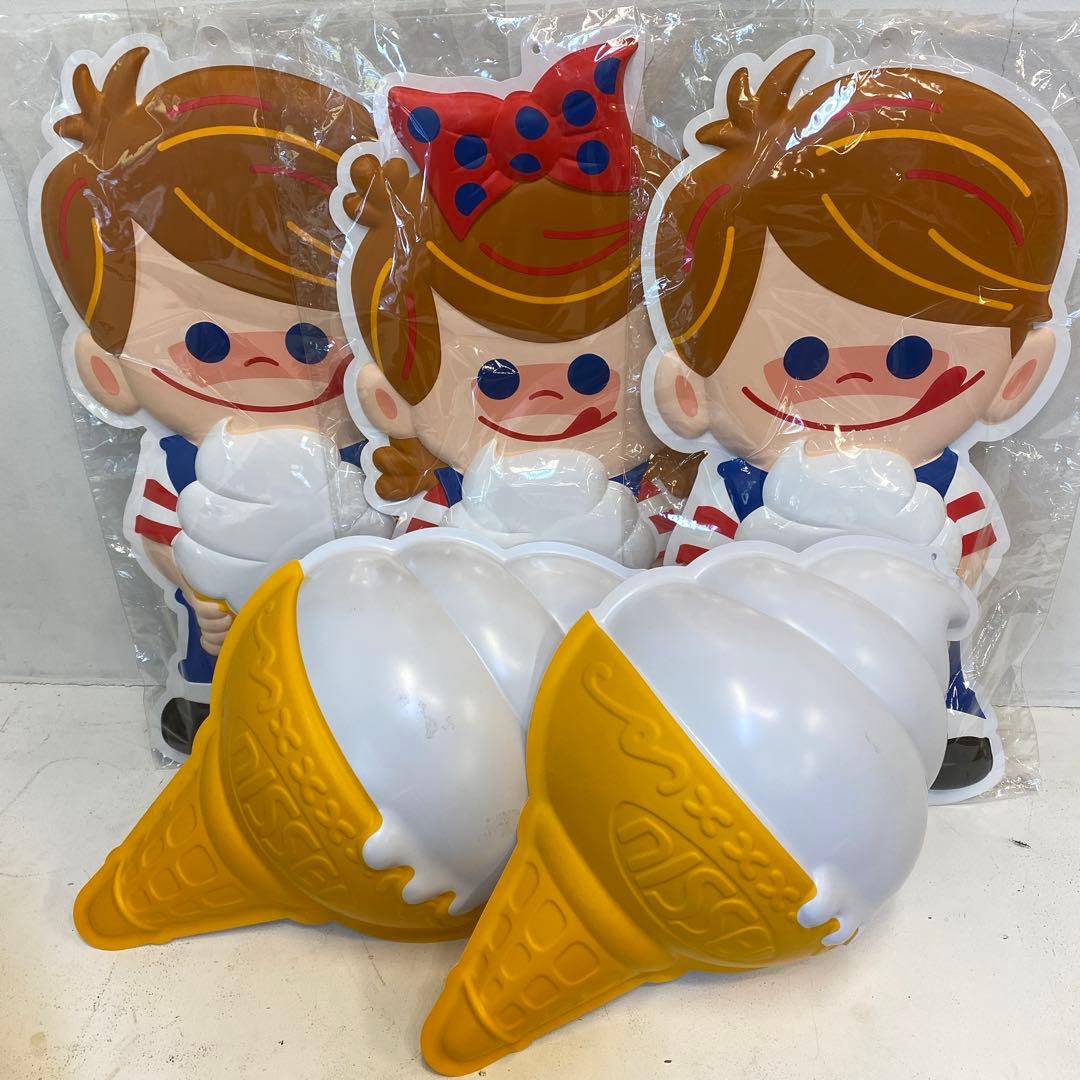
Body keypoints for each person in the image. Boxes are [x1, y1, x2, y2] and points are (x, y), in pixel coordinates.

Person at [643, 42, 1070, 798]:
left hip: (909, 649)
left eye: (911, 356)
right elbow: (695, 562)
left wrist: (939, 578)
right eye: (802, 357)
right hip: (763, 664)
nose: (855, 377)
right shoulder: (738, 485)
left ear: (1017, 377)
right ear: (691, 389)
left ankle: (943, 726)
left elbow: (972, 554)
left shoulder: (943, 481)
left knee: (931, 655)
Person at [34, 43, 390, 755]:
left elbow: (397, 524)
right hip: (224, 629)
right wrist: (196, 590)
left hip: (352, 630)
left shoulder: (365, 456)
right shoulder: (178, 460)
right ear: (108, 371)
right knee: (225, 686)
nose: (261, 358)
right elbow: (157, 535)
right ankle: (217, 724)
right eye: (205, 341)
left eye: (309, 342)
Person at [336, 39, 696, 566]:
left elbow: (684, 564)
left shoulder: (657, 497)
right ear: (389, 399)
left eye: (591, 374)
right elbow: (421, 573)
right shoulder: (439, 504)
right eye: (497, 379)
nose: (548, 399)